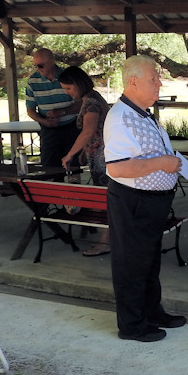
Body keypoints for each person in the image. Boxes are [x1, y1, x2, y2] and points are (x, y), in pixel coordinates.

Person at [103, 55, 186, 342]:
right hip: (133, 200)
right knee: (131, 264)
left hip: (150, 201)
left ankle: (151, 312)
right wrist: (163, 163)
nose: (159, 83)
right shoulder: (120, 118)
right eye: (154, 78)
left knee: (148, 261)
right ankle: (132, 325)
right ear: (133, 81)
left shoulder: (140, 113)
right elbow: (117, 168)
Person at [59, 66, 112, 257]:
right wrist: (83, 151)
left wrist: (70, 154)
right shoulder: (93, 98)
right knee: (107, 198)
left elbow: (88, 131)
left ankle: (105, 242)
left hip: (102, 158)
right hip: (98, 155)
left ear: (78, 84)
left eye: (68, 88)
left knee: (107, 200)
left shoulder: (91, 104)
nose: (67, 92)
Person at [25, 48, 81, 169]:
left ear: (52, 61)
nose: (38, 69)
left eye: (41, 65)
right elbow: (30, 110)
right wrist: (44, 121)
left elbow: (81, 104)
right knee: (49, 167)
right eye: (35, 66)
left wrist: (63, 112)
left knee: (73, 166)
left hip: (71, 127)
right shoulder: (32, 82)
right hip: (48, 130)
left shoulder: (68, 77)